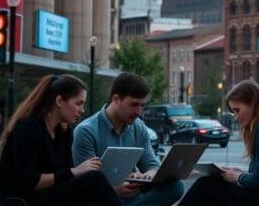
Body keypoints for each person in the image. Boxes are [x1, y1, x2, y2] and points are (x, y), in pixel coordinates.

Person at [179, 79, 259, 206]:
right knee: (214, 186)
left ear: (252, 103)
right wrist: (239, 173)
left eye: (237, 110)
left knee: (204, 185)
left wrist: (236, 177)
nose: (236, 117)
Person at [0, 74, 121, 206]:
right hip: (25, 199)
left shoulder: (63, 131)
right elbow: (30, 182)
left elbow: (65, 175)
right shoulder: (28, 128)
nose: (82, 110)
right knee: (95, 179)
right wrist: (75, 171)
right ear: (59, 101)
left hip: (51, 195)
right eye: (78, 103)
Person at [72, 73, 184, 206]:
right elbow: (86, 185)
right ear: (116, 99)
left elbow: (151, 164)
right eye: (134, 105)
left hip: (134, 196)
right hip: (103, 199)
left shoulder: (138, 127)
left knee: (176, 186)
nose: (139, 112)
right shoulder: (86, 131)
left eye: (142, 106)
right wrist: (114, 191)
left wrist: (149, 175)